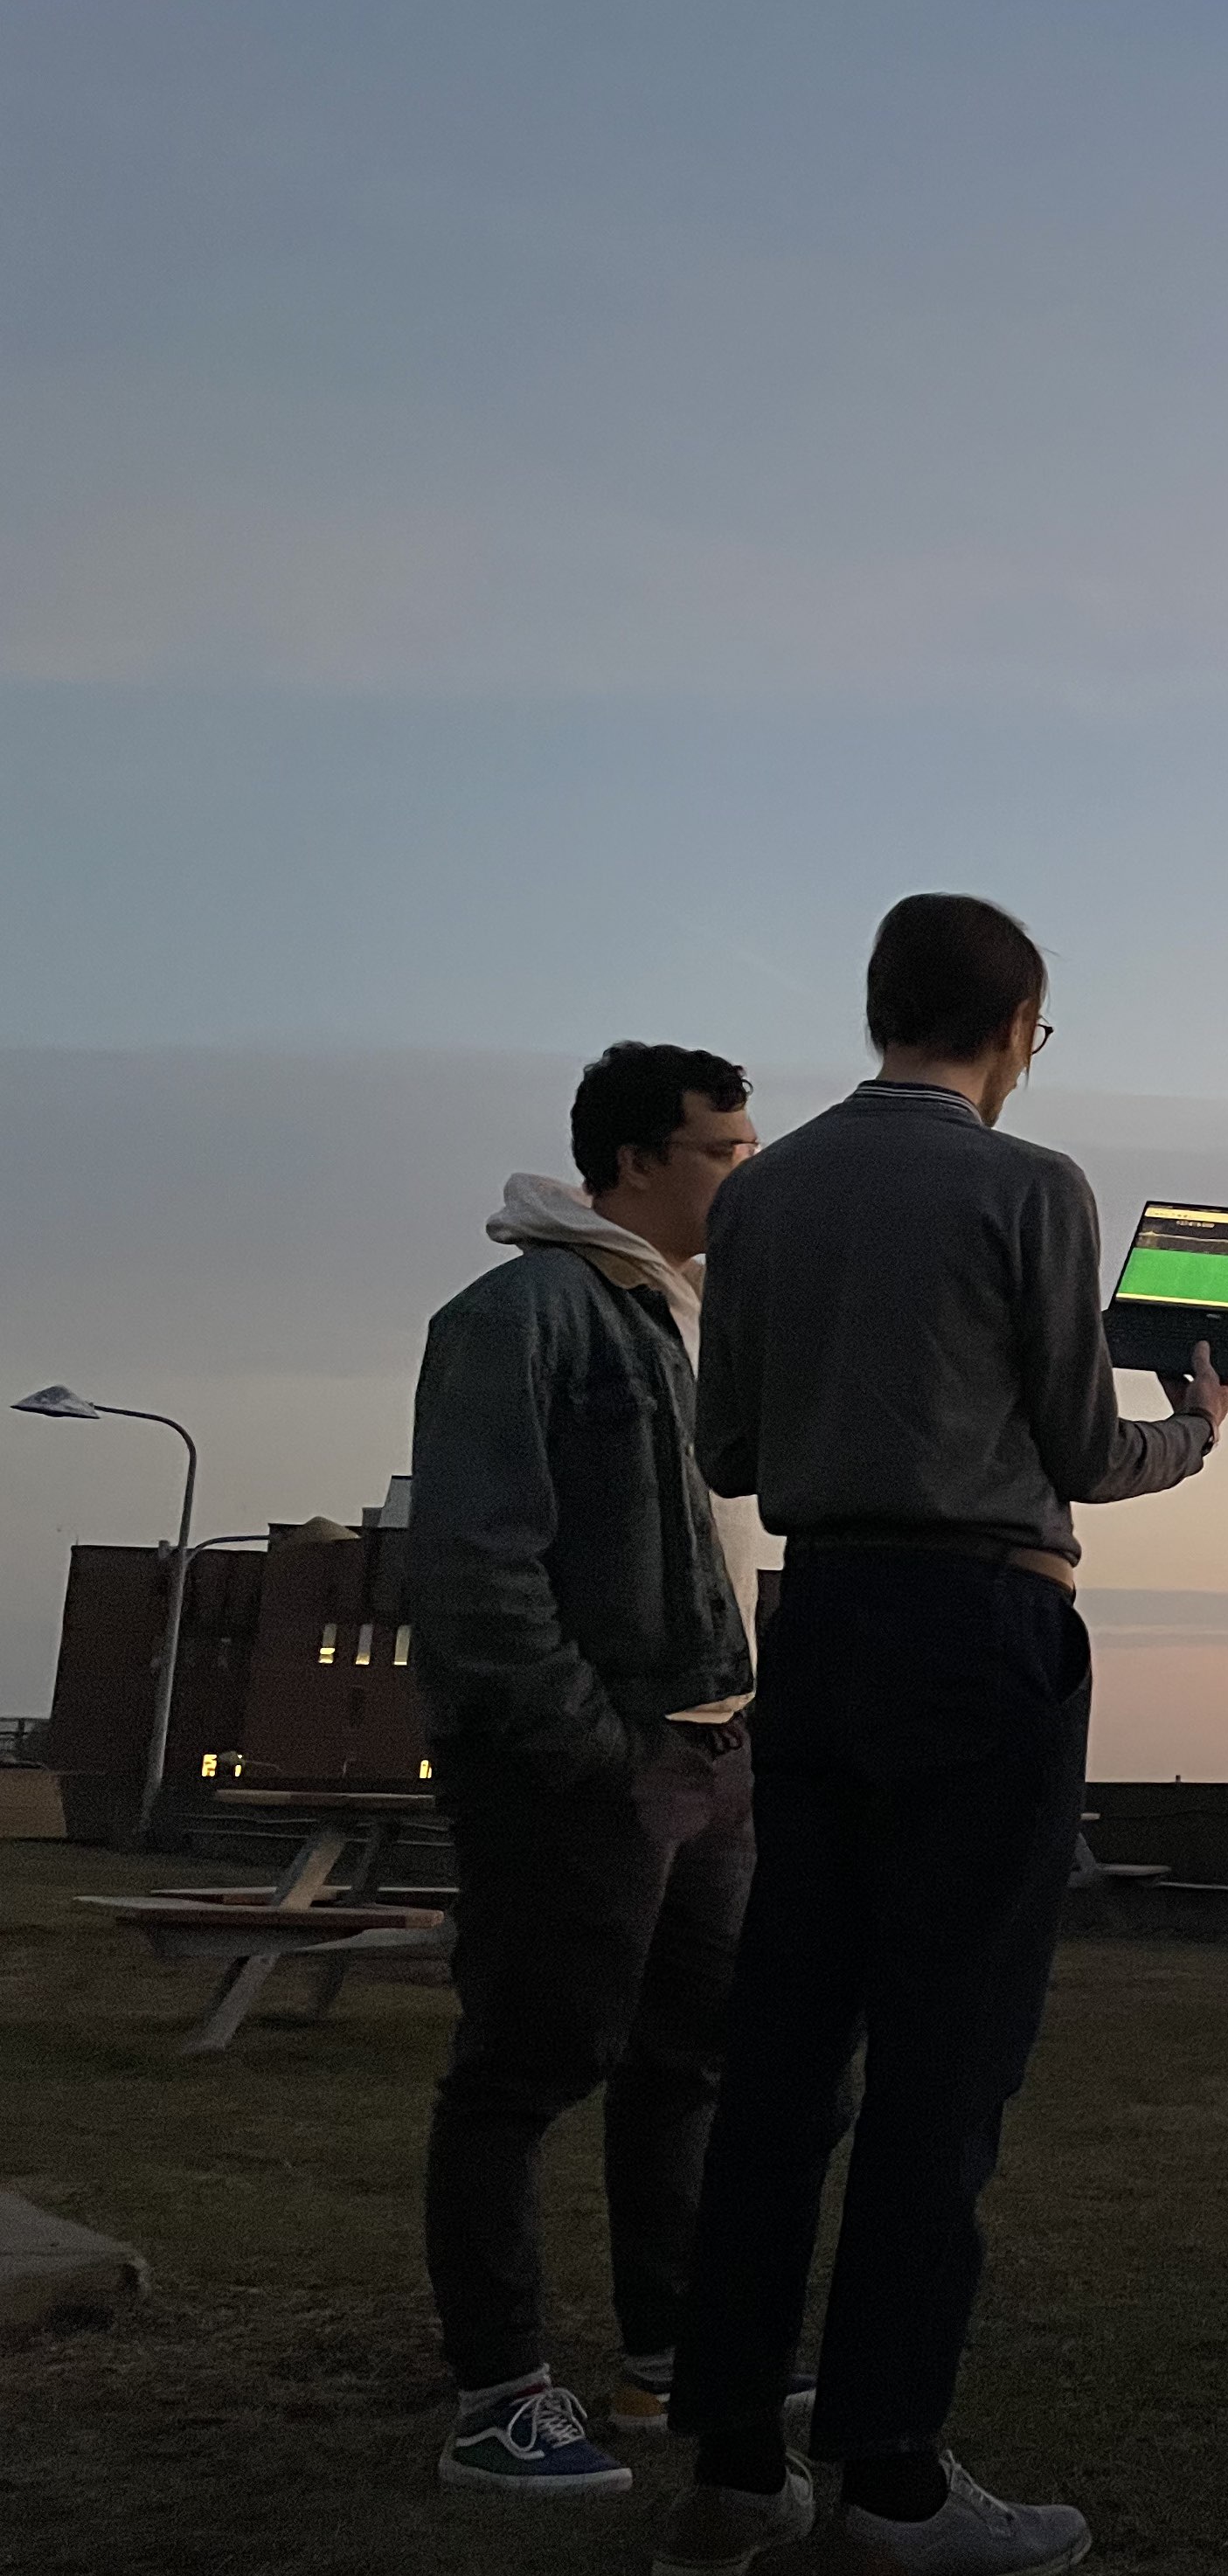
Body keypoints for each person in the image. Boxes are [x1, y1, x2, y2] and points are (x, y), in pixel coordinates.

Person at [654, 895, 1228, 2576]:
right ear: (1020, 1028)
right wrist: (1192, 1432)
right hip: (980, 1637)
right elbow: (1076, 1441)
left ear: (879, 1008)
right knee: (940, 2063)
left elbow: (733, 1446)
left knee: (781, 2053)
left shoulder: (761, 1195)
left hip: (817, 1628)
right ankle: (892, 2490)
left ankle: (730, 2472)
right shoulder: (1031, 1188)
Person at [411, 1042, 769, 2495]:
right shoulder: (517, 1316)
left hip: (712, 1749)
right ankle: (500, 2392)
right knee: (525, 2069)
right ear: (634, 1162)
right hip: (593, 1766)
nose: (748, 1176)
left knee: (683, 2065)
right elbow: (480, 1569)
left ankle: (663, 2360)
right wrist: (591, 1747)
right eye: (723, 1153)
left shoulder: (687, 1314)